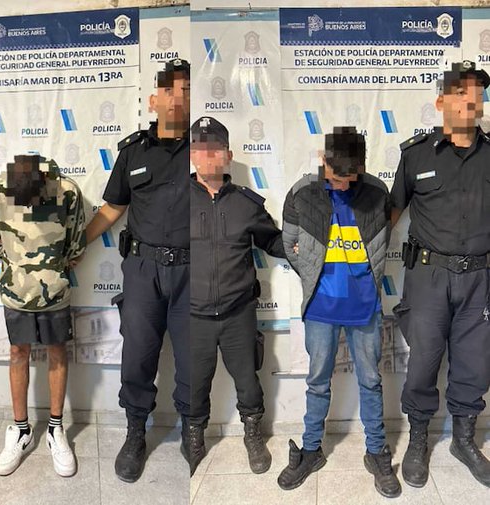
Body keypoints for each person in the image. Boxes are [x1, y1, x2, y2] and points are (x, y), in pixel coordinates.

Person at [82, 58, 192, 482]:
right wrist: (78, 244)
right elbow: (112, 208)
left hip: (192, 271)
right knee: (138, 356)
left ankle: (193, 431)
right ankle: (135, 433)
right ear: (153, 100)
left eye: (185, 91)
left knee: (192, 356)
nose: (177, 98)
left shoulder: (204, 150)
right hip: (144, 270)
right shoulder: (133, 152)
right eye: (169, 90)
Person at [279, 126, 400, 497]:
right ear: (323, 159)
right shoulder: (301, 193)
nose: (342, 183)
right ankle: (311, 450)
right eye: (335, 175)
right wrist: (313, 277)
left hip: (365, 306)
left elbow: (384, 237)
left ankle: (376, 451)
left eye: (350, 176)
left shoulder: (377, 193)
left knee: (371, 381)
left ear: (361, 166)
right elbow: (289, 243)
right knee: (317, 381)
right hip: (321, 307)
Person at [391, 61, 490, 489]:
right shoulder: (416, 154)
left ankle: (464, 440)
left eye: (478, 92)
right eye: (461, 92)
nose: (471, 100)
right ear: (441, 102)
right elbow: (391, 214)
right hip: (428, 277)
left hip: (480, 280)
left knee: (475, 363)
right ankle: (418, 439)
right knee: (423, 362)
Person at [185, 116, 284, 476]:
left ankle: (253, 435)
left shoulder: (246, 203)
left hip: (237, 312)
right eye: (200, 149)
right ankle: (194, 438)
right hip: (192, 316)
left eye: (215, 149)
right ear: (191, 154)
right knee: (194, 384)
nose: (207, 156)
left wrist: (302, 246)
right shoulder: (177, 200)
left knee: (248, 382)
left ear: (227, 155)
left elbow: (273, 241)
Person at [0, 154, 85, 477]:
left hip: (54, 292)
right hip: (15, 292)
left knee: (57, 351)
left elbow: (76, 245)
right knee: (17, 352)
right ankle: (20, 429)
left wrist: (50, 270)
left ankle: (55, 428)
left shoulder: (67, 191)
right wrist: (18, 266)